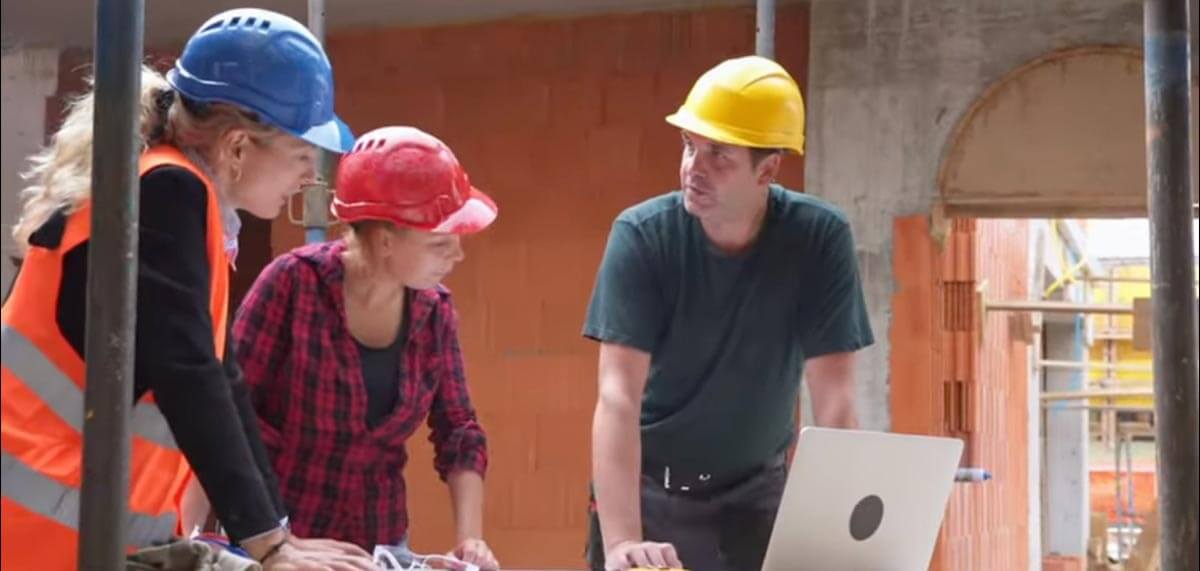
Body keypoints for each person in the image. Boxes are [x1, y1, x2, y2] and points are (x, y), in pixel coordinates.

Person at [0, 8, 377, 570]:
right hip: (40, 533)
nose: (310, 175)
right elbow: (190, 374)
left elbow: (220, 378)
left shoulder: (167, 189)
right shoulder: (172, 191)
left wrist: (277, 533)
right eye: (302, 154)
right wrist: (269, 546)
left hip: (57, 529)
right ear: (238, 147)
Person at [583, 55, 875, 571]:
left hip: (756, 498)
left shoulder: (817, 239)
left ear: (768, 168)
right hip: (647, 493)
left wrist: (838, 543)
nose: (694, 168)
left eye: (719, 154)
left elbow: (836, 407)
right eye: (689, 145)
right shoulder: (643, 237)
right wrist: (624, 541)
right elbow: (617, 397)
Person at [228, 126, 500, 568]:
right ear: (386, 238)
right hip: (272, 540)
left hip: (377, 545)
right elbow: (225, 413)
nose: (457, 256)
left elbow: (460, 430)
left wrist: (470, 541)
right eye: (439, 243)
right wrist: (203, 539)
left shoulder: (435, 313)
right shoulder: (291, 284)